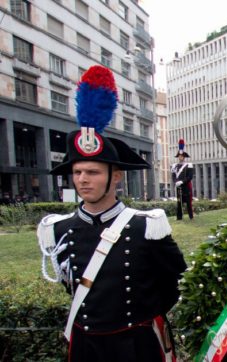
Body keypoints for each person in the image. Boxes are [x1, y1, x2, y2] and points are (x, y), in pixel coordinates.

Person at [37, 65, 187, 361]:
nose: (82, 179)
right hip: (85, 346)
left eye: (92, 172)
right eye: (77, 172)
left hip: (136, 345)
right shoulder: (58, 229)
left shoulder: (146, 226)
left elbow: (171, 285)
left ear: (116, 177)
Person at [172, 139, 194, 220]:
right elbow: (173, 176)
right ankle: (179, 217)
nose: (180, 157)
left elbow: (190, 176)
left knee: (188, 202)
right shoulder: (175, 166)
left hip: (186, 186)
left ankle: (191, 216)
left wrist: (182, 181)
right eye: (179, 156)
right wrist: (175, 182)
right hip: (178, 187)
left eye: (181, 156)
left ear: (184, 157)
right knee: (179, 202)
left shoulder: (189, 165)